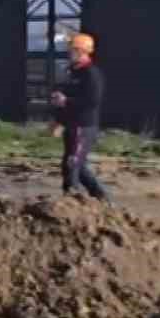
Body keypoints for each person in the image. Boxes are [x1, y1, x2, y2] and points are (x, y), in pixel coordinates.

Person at [50, 32, 110, 203]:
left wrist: (66, 100)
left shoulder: (91, 73)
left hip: (83, 127)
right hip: (71, 126)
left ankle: (70, 202)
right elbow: (65, 99)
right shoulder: (72, 72)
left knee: (72, 163)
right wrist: (58, 120)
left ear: (81, 51)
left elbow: (92, 101)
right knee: (78, 166)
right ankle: (103, 200)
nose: (68, 52)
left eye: (71, 49)